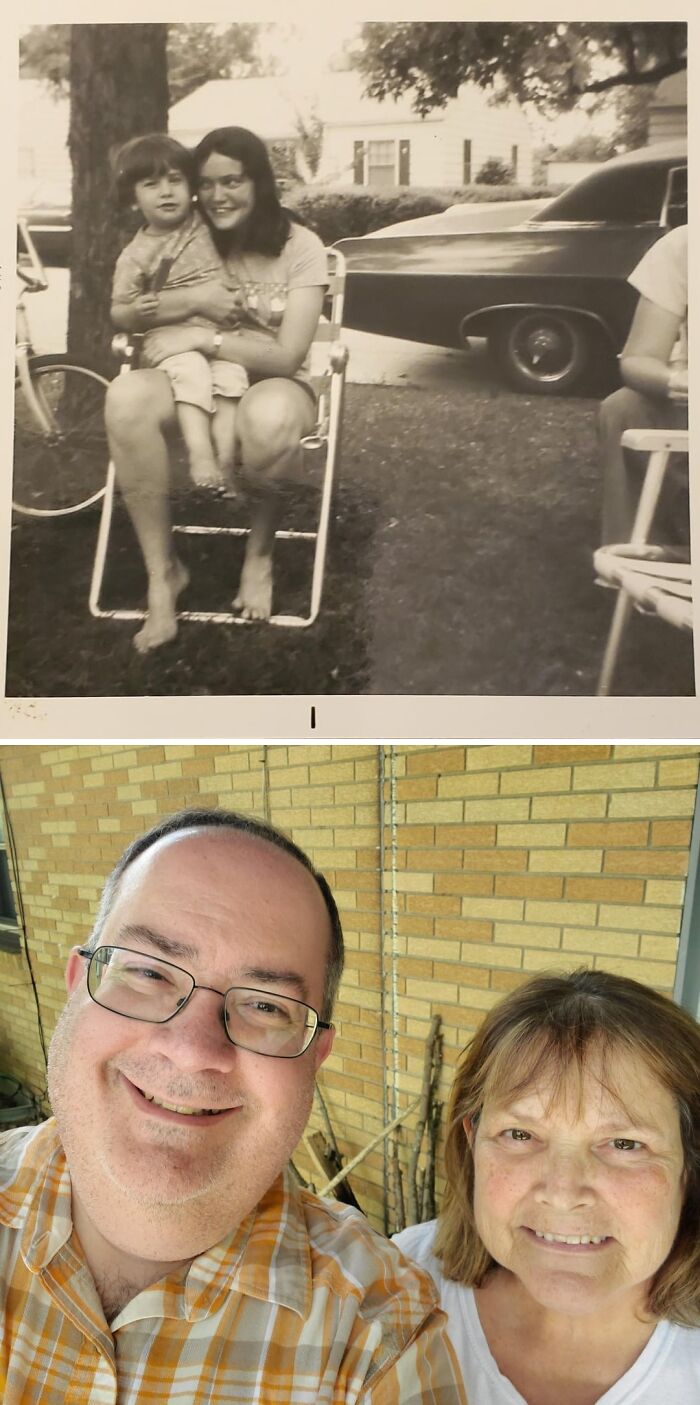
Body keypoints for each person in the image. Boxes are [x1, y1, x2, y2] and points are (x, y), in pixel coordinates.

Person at [0, 808, 466, 1405]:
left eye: (266, 1006)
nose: (193, 1050)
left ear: (315, 1055)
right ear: (76, 983)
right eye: (147, 972)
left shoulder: (380, 1332)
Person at [394, 968, 700, 1405]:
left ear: (690, 1165)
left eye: (624, 1143)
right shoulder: (392, 1290)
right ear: (472, 1143)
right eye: (520, 1135)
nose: (562, 1191)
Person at [105, 127, 328, 652]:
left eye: (233, 181)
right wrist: (186, 316)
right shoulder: (186, 230)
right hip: (195, 378)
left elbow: (286, 356)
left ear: (260, 182)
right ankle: (163, 574)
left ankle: (260, 555)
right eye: (206, 184)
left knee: (268, 418)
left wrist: (203, 335)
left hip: (276, 381)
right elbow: (139, 303)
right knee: (125, 399)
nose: (217, 196)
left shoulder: (301, 247)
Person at [111, 134, 249, 492]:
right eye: (151, 184)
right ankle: (200, 452)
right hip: (171, 342)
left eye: (175, 180)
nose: (166, 192)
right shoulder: (135, 255)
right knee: (191, 372)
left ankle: (225, 461)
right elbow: (119, 312)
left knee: (231, 379)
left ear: (191, 186)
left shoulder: (203, 223)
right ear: (133, 196)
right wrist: (135, 310)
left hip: (220, 334)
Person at [599, 223, 688, 545]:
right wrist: (678, 380)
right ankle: (643, 553)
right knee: (624, 408)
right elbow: (639, 359)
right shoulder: (686, 246)